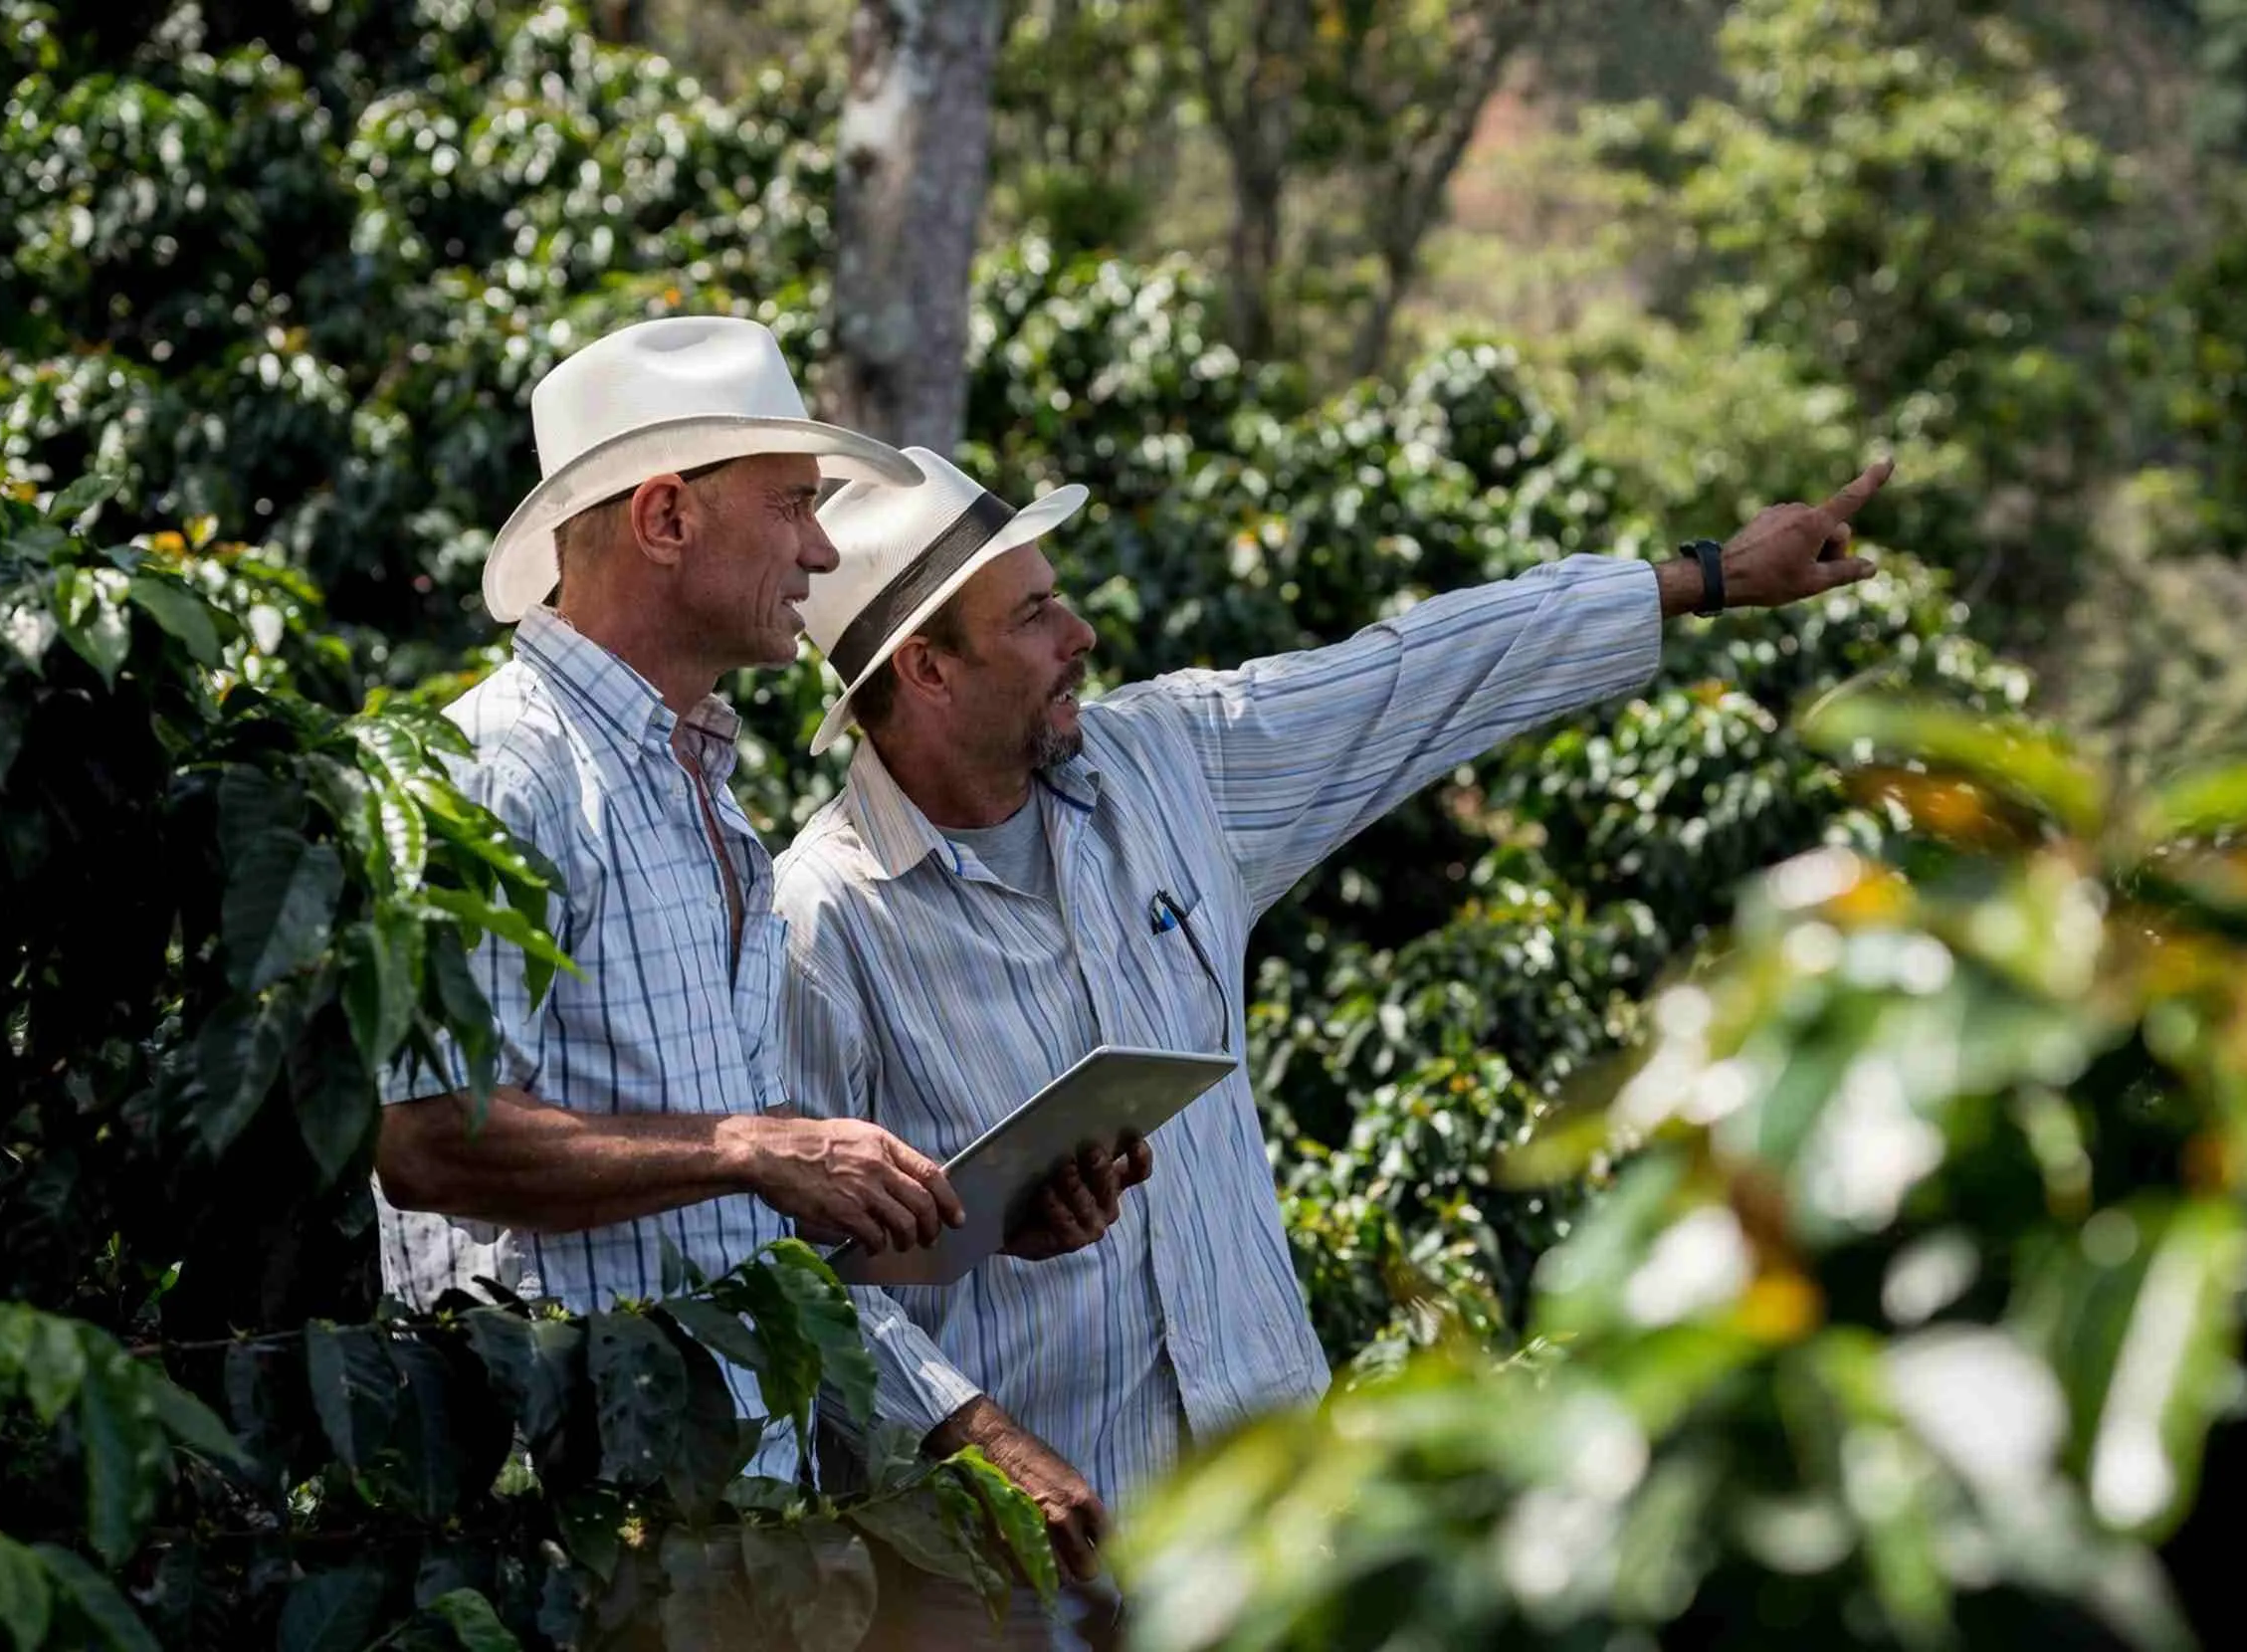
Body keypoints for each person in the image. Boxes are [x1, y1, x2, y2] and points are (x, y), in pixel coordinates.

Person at [774, 442, 1895, 1642]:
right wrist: (978, 1436)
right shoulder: (824, 924)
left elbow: (1413, 675)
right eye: (1037, 613)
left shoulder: (1167, 769)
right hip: (1012, 1585)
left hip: (1274, 1528)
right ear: (929, 669)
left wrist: (1698, 579)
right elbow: (783, 1283)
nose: (1083, 634)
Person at [369, 314, 989, 1480]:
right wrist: (754, 1146)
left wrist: (944, 1209)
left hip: (724, 1512)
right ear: (664, 518)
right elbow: (430, 1139)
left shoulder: (704, 793)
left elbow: (722, 1181)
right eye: (791, 506)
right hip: (573, 1509)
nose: (818, 553)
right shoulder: (504, 767)